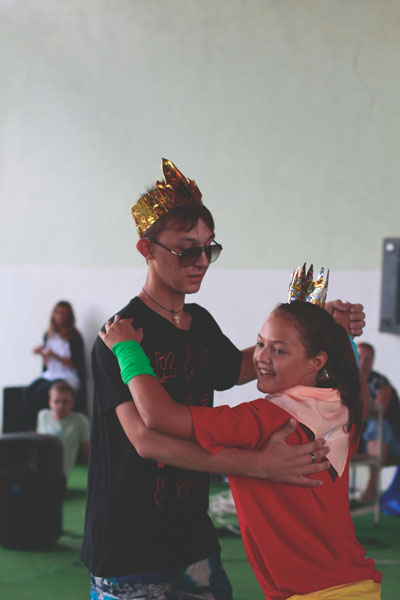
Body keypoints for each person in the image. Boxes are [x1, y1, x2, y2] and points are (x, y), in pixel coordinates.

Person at [80, 159, 366, 600]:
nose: (200, 262)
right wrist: (255, 465)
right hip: (128, 544)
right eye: (186, 250)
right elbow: (146, 440)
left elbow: (248, 365)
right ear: (146, 249)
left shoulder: (199, 323)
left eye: (208, 250)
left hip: (192, 537)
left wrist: (318, 329)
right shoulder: (120, 338)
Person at [100, 300, 382, 600]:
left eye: (279, 350)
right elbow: (359, 393)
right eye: (260, 344)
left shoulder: (266, 420)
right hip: (359, 586)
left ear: (316, 361)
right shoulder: (343, 405)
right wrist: (343, 335)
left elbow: (159, 416)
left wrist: (126, 349)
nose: (262, 357)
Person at [23, 300, 87, 429]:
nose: (60, 316)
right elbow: (47, 364)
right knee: (28, 391)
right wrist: (43, 354)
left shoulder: (74, 337)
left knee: (42, 392)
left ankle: (48, 427)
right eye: (58, 312)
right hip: (51, 374)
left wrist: (54, 355)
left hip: (66, 375)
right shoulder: (48, 335)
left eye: (64, 313)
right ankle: (31, 429)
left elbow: (75, 364)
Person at [357, 342, 400, 502]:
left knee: (378, 426)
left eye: (367, 359)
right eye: (359, 357)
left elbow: (376, 413)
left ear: (372, 361)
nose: (363, 362)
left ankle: (371, 488)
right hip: (361, 439)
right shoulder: (347, 382)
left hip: (392, 444)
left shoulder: (382, 384)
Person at [36, 380, 90, 483]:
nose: (61, 406)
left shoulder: (80, 420)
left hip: (63, 475)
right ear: (50, 402)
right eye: (57, 401)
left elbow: (88, 450)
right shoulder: (42, 416)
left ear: (72, 403)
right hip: (42, 471)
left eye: (66, 401)